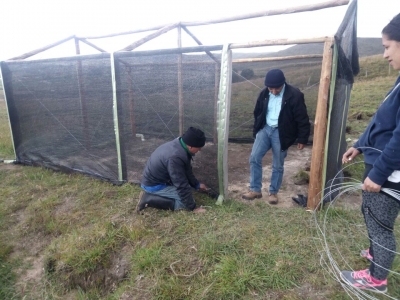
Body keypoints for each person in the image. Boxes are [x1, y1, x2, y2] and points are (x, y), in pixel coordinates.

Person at [340, 13, 400, 294]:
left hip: (388, 175)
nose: (385, 55)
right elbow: (381, 121)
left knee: (381, 227)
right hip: (379, 166)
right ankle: (377, 252)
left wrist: (378, 173)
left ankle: (377, 279)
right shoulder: (399, 83)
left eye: (387, 47)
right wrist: (360, 145)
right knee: (374, 218)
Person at [242, 68, 310, 204]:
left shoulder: (295, 95)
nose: (273, 91)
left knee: (277, 164)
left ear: (283, 83)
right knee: (254, 158)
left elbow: (302, 118)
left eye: (276, 89)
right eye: (270, 88)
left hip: (282, 132)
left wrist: (302, 138)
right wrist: (257, 130)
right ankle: (255, 190)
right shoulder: (264, 93)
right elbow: (258, 113)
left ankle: (273, 192)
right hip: (265, 129)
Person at [137, 126, 208, 214]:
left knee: (187, 192)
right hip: (153, 185)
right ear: (190, 146)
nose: (200, 149)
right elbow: (180, 183)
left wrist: (196, 185)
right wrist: (192, 207)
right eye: (199, 147)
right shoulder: (175, 157)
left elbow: (186, 169)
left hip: (159, 179)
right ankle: (148, 198)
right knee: (184, 202)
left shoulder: (180, 144)